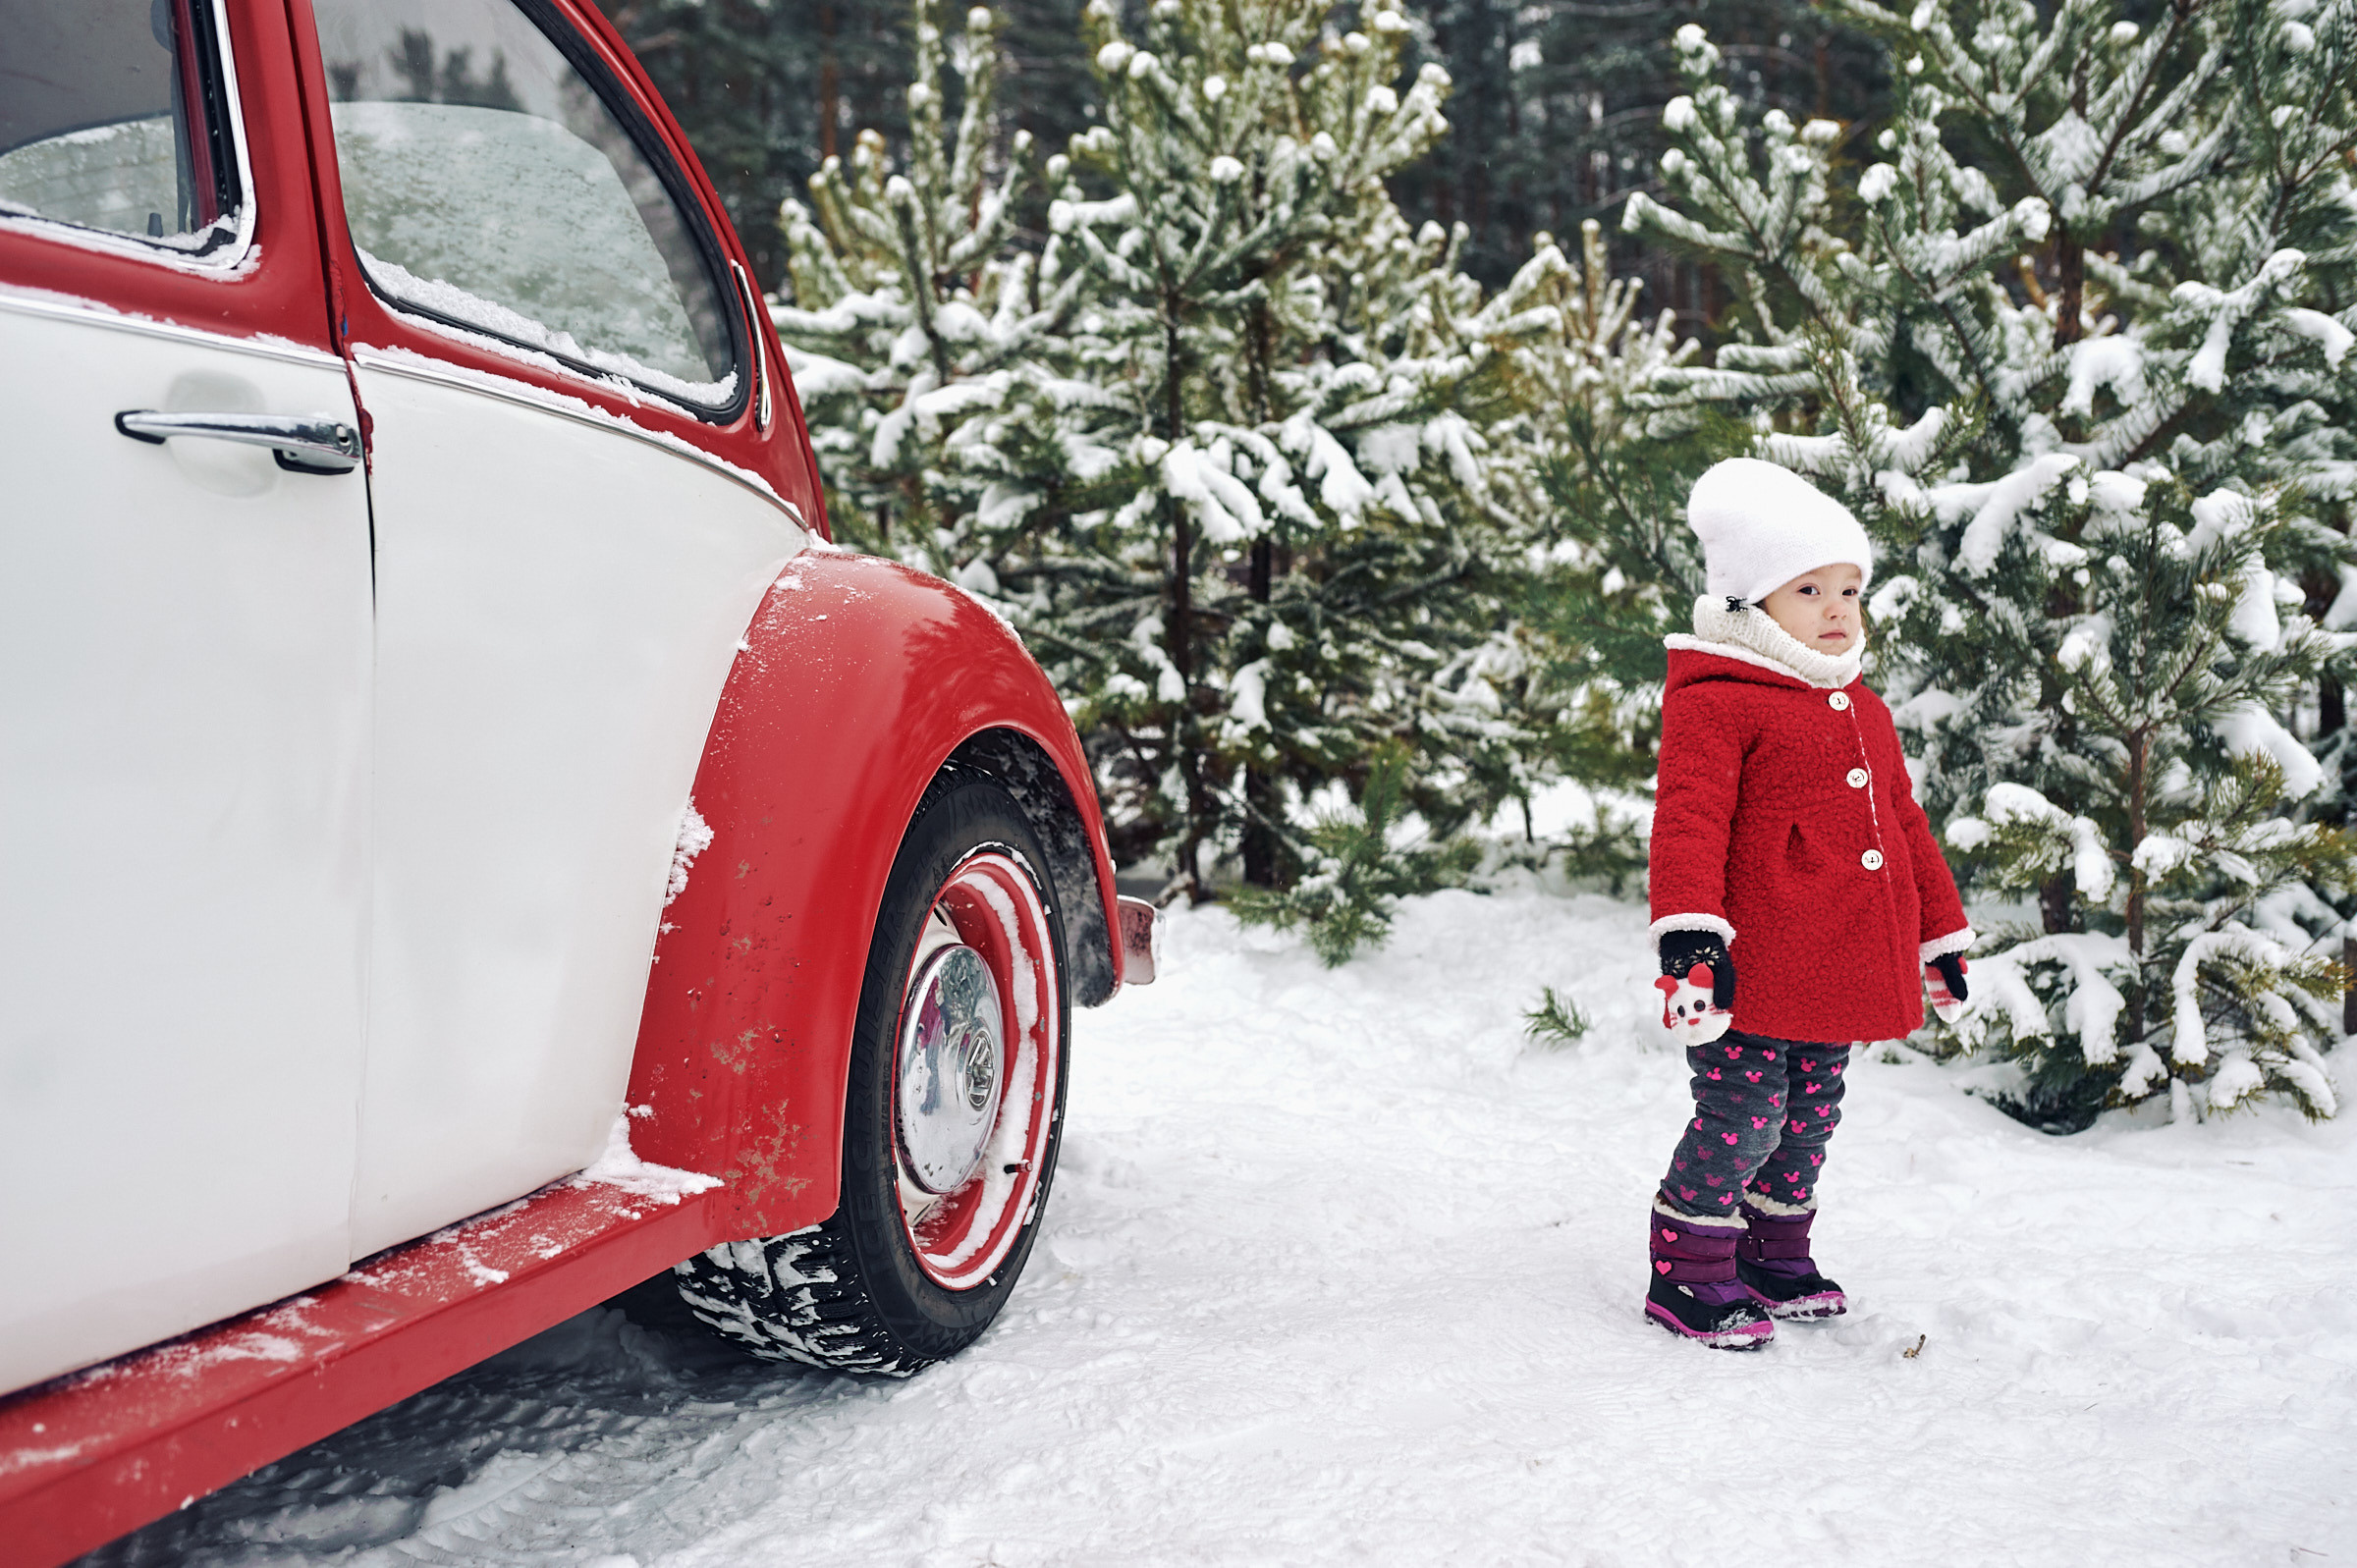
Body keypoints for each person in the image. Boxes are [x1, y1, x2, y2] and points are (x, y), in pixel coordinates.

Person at [1642, 458, 1974, 1350]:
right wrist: (1689, 944)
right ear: (1751, 606)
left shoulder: (1861, 707)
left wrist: (1940, 933)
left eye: (1851, 589)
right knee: (1746, 1111)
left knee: (1813, 1110)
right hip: (1749, 968)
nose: (1838, 609)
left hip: (1834, 957)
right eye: (1811, 589)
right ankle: (1688, 1265)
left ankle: (1772, 1250)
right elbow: (1689, 824)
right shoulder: (1718, 702)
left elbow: (1903, 823)